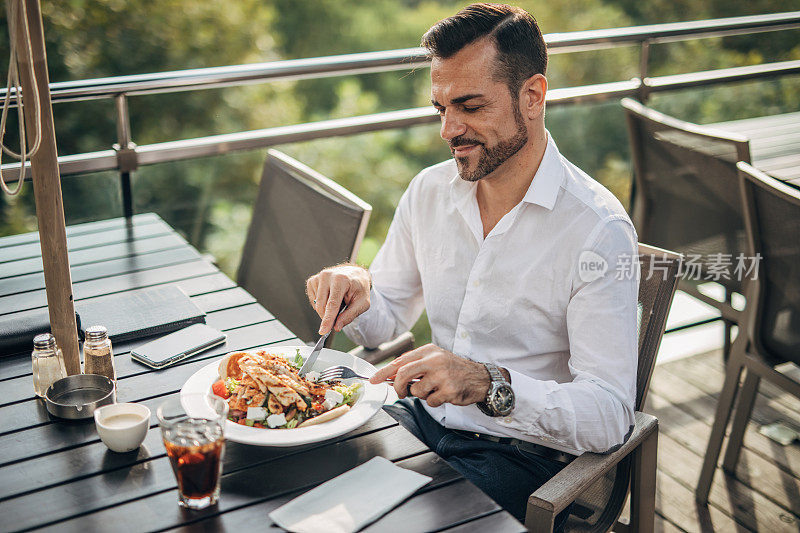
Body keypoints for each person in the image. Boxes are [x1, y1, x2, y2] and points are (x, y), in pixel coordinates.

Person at [305, 3, 639, 527]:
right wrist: (357, 285)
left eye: (470, 106)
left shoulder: (598, 232)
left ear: (532, 96)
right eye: (440, 107)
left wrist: (488, 383)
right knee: (294, 475)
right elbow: (384, 319)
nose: (448, 129)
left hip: (524, 456)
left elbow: (610, 416)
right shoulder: (429, 192)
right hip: (419, 422)